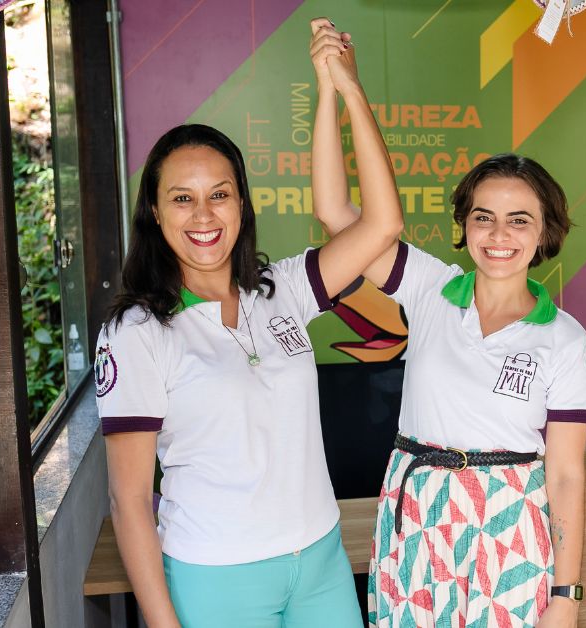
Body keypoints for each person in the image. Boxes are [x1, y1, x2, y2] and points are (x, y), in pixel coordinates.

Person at [98, 19, 399, 627]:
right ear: (154, 212)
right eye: (182, 197)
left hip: (319, 564)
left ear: (242, 203)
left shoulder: (280, 290)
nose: (203, 215)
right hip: (217, 578)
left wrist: (344, 88)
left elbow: (380, 226)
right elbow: (129, 501)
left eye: (221, 194)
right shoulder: (138, 330)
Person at [309, 28, 586, 624]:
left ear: (545, 234)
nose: (499, 235)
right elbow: (338, 214)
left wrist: (567, 597)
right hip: (416, 514)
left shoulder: (564, 338)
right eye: (483, 218)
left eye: (519, 220)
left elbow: (566, 475)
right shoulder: (431, 288)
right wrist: (338, 89)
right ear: (462, 227)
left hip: (512, 527)